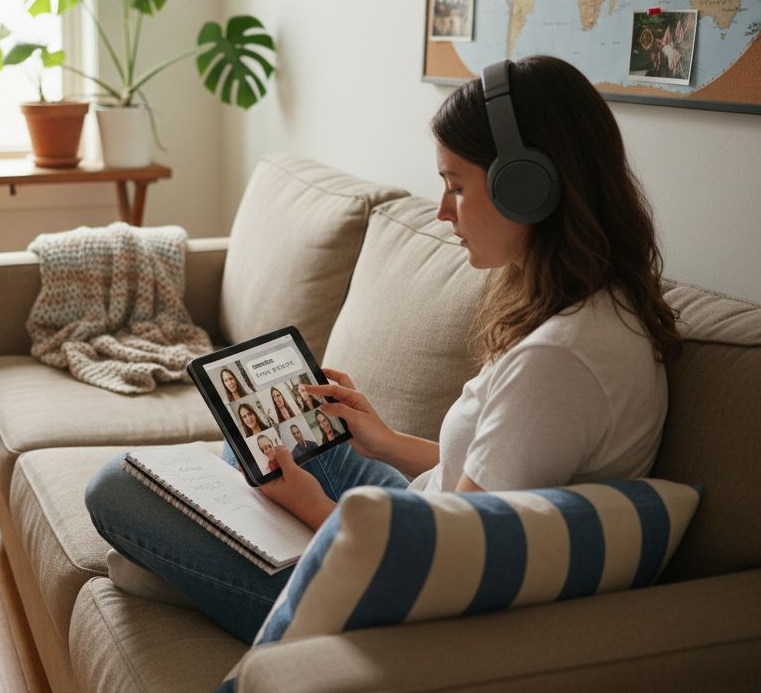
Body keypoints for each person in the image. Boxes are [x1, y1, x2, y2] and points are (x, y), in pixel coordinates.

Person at [85, 55, 681, 643]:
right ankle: (196, 563)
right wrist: (383, 440)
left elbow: (456, 561)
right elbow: (483, 482)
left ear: (526, 188)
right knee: (271, 444)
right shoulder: (599, 303)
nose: (444, 211)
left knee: (116, 484)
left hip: (397, 594)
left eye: (456, 186)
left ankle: (195, 570)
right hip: (417, 520)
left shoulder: (559, 363)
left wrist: (315, 509)